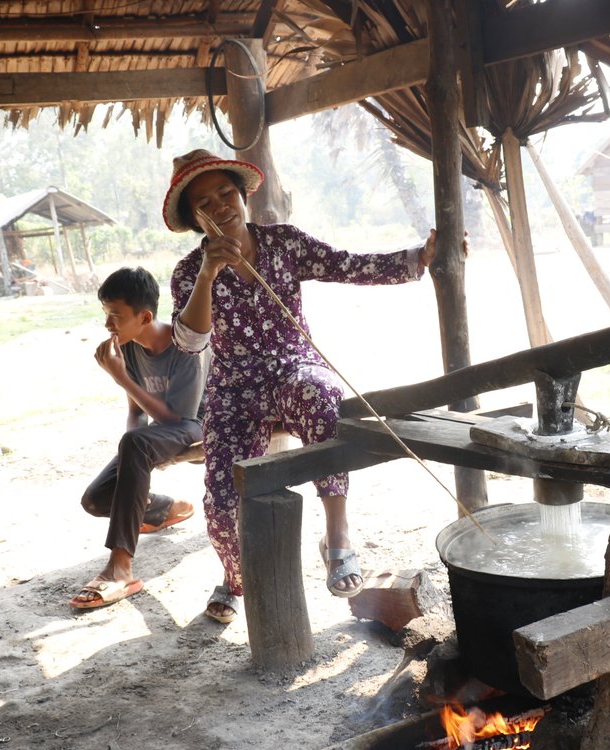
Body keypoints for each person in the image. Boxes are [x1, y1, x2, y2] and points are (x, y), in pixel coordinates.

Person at [164, 149, 456, 624]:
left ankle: (337, 537)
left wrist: (417, 258)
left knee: (322, 400)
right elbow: (191, 343)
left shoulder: (283, 243)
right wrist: (208, 272)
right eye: (205, 203)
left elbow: (347, 264)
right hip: (234, 385)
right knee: (220, 502)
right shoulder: (188, 272)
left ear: (241, 197)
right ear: (194, 218)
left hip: (292, 367)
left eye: (225, 194)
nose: (220, 207)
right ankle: (236, 580)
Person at [71, 267, 206, 610]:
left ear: (145, 316)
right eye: (106, 315)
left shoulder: (185, 348)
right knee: (96, 499)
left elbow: (177, 418)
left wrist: (121, 379)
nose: (108, 325)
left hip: (199, 426)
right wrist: (133, 458)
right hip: (161, 434)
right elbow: (137, 415)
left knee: (137, 444)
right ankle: (165, 508)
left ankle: (120, 568)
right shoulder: (129, 349)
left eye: (115, 316)